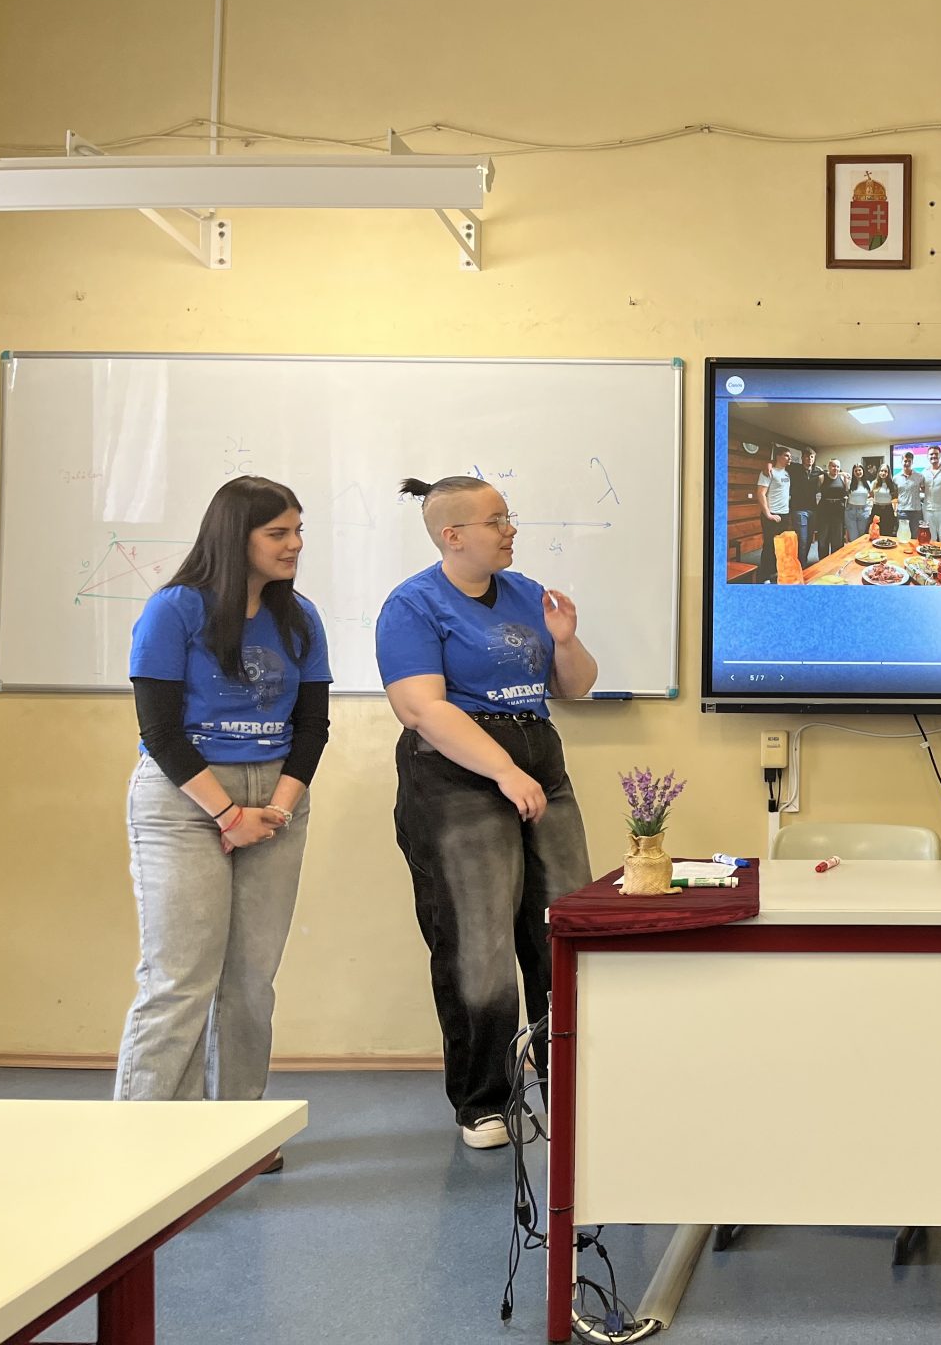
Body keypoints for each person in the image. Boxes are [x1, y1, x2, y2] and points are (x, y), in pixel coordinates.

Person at [377, 476, 599, 1148]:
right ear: (453, 535)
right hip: (458, 777)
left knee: (563, 928)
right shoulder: (413, 605)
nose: (510, 530)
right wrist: (502, 771)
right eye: (496, 520)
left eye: (508, 517)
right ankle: (484, 1100)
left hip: (539, 764)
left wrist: (564, 641)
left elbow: (574, 688)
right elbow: (422, 709)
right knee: (478, 941)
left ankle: (570, 1085)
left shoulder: (526, 592)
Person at [115, 477, 331, 1147]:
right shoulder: (175, 609)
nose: (295, 545)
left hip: (275, 799)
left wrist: (276, 811)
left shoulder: (301, 618)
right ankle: (148, 1140)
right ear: (236, 538)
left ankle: (235, 1136)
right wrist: (228, 815)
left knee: (250, 981)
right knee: (180, 979)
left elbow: (313, 728)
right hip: (184, 797)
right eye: (278, 533)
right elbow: (159, 730)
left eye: (298, 531)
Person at [752, 445, 792, 579]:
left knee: (780, 545)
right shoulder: (768, 472)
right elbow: (760, 493)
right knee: (769, 546)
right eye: (786, 455)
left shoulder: (787, 473)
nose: (789, 458)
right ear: (778, 457)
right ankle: (764, 576)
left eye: (790, 456)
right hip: (772, 514)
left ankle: (775, 572)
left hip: (784, 514)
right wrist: (768, 514)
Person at [812, 457, 849, 561]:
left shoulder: (843, 478)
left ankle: (835, 561)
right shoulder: (821, 478)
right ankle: (823, 561)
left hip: (838, 511)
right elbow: (815, 492)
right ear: (828, 467)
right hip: (824, 511)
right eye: (833, 466)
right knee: (823, 538)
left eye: (837, 466)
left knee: (837, 539)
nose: (835, 468)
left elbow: (846, 492)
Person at [791, 447, 821, 564]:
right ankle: (800, 564)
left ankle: (803, 561)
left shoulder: (817, 471)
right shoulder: (794, 469)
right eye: (807, 456)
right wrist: (768, 465)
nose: (809, 459)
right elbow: (778, 464)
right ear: (802, 458)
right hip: (799, 510)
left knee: (809, 539)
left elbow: (831, 474)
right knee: (802, 539)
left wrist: (842, 473)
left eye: (812, 457)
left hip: (812, 510)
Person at [894, 451, 924, 539]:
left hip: (916, 511)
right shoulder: (896, 478)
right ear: (901, 461)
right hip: (902, 511)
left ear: (912, 462)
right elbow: (894, 494)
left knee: (915, 537)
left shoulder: (919, 476)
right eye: (905, 461)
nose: (907, 463)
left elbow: (924, 490)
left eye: (909, 461)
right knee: (903, 537)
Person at [845, 462, 872, 542]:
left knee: (862, 536)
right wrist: (844, 474)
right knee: (853, 537)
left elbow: (872, 495)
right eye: (856, 471)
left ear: (863, 471)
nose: (858, 472)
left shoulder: (868, 483)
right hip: (851, 511)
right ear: (853, 472)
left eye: (859, 470)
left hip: (864, 511)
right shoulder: (849, 482)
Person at [869, 466, 897, 539]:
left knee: (887, 533)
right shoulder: (874, 483)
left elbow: (894, 496)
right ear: (879, 472)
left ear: (888, 473)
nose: (883, 473)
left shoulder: (892, 484)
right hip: (876, 509)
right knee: (875, 533)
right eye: (881, 471)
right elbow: (871, 495)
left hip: (888, 510)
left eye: (885, 471)